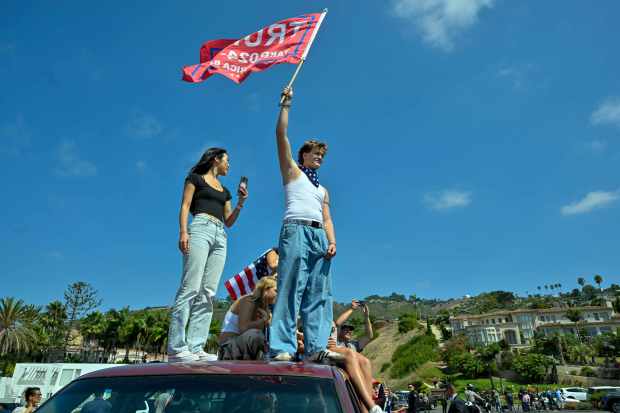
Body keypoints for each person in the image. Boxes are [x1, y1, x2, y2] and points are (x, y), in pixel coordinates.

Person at [268, 86, 337, 362]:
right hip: (295, 229)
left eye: (322, 154)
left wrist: (332, 241)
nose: (319, 156)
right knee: (290, 287)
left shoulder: (323, 190)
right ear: (304, 155)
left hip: (320, 236)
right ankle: (282, 346)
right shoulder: (292, 171)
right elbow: (280, 136)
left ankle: (316, 347)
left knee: (320, 292)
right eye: (315, 152)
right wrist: (286, 106)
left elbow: (328, 217)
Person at [167, 147, 249, 362]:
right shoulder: (195, 179)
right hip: (200, 227)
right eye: (226, 161)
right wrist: (183, 231)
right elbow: (185, 206)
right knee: (190, 287)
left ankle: (196, 347)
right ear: (216, 160)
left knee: (208, 291)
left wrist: (240, 203)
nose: (228, 165)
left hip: (220, 235)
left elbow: (229, 221)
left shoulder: (225, 191)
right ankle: (176, 347)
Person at [326, 325, 383, 413]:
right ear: (339, 331)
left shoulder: (352, 345)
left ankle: (368, 408)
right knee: (350, 354)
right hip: (339, 363)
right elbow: (336, 323)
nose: (349, 331)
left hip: (351, 371)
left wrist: (366, 317)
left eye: (351, 330)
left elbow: (369, 336)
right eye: (346, 329)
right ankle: (370, 407)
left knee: (366, 362)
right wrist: (352, 310)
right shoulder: (335, 341)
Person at [218, 276, 277, 360]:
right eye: (276, 291)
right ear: (266, 289)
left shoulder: (265, 309)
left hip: (242, 348)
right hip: (228, 349)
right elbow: (244, 328)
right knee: (255, 335)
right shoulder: (249, 301)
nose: (278, 294)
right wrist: (263, 320)